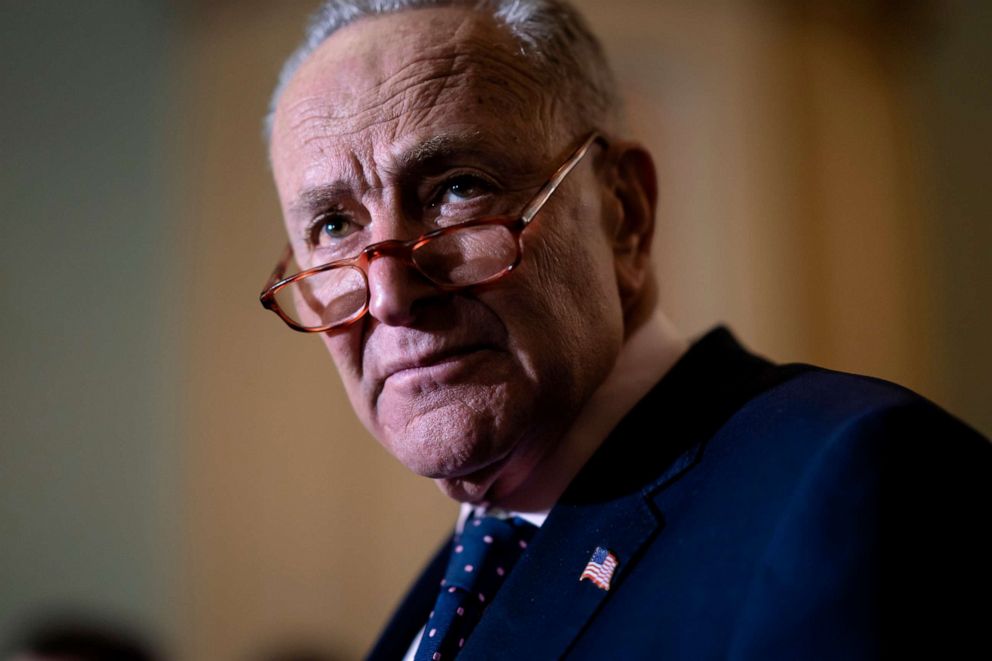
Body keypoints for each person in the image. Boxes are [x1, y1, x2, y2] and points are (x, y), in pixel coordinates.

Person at [259, 1, 991, 659]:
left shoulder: (858, 478)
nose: (389, 294)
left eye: (458, 188)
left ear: (625, 213)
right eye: (332, 225)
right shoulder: (457, 584)